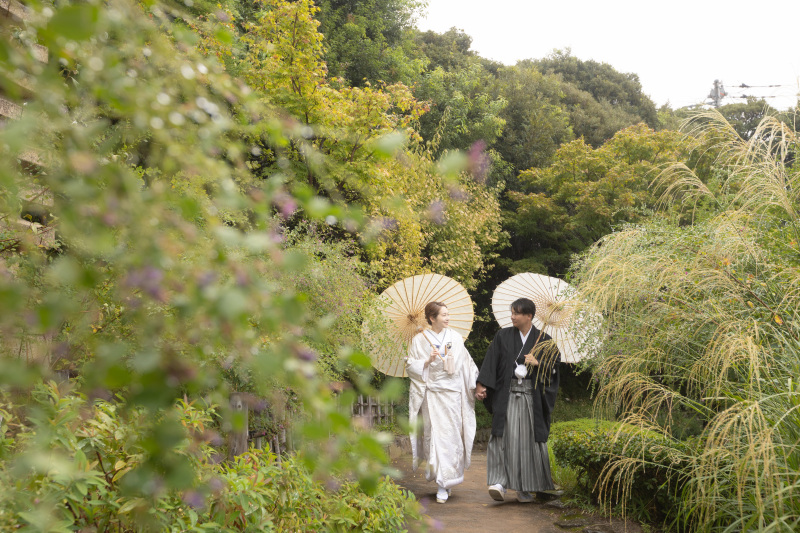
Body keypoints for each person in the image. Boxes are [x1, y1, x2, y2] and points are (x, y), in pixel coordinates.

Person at [474, 297, 560, 503]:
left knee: (527, 442)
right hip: (507, 395)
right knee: (503, 438)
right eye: (511, 312)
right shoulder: (503, 336)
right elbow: (491, 361)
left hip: (532, 399)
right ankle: (499, 482)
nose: (512, 316)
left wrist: (539, 363)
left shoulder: (545, 340)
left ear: (529, 316)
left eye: (516, 313)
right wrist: (481, 385)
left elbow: (555, 370)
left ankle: (524, 488)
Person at [406, 301, 480, 504]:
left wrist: (477, 385)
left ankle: (447, 481)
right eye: (444, 315)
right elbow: (411, 366)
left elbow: (467, 365)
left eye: (448, 314)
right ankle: (441, 484)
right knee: (436, 437)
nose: (448, 318)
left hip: (453, 395)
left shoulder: (455, 337)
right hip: (432, 395)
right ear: (432, 318)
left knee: (452, 437)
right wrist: (427, 362)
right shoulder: (419, 340)